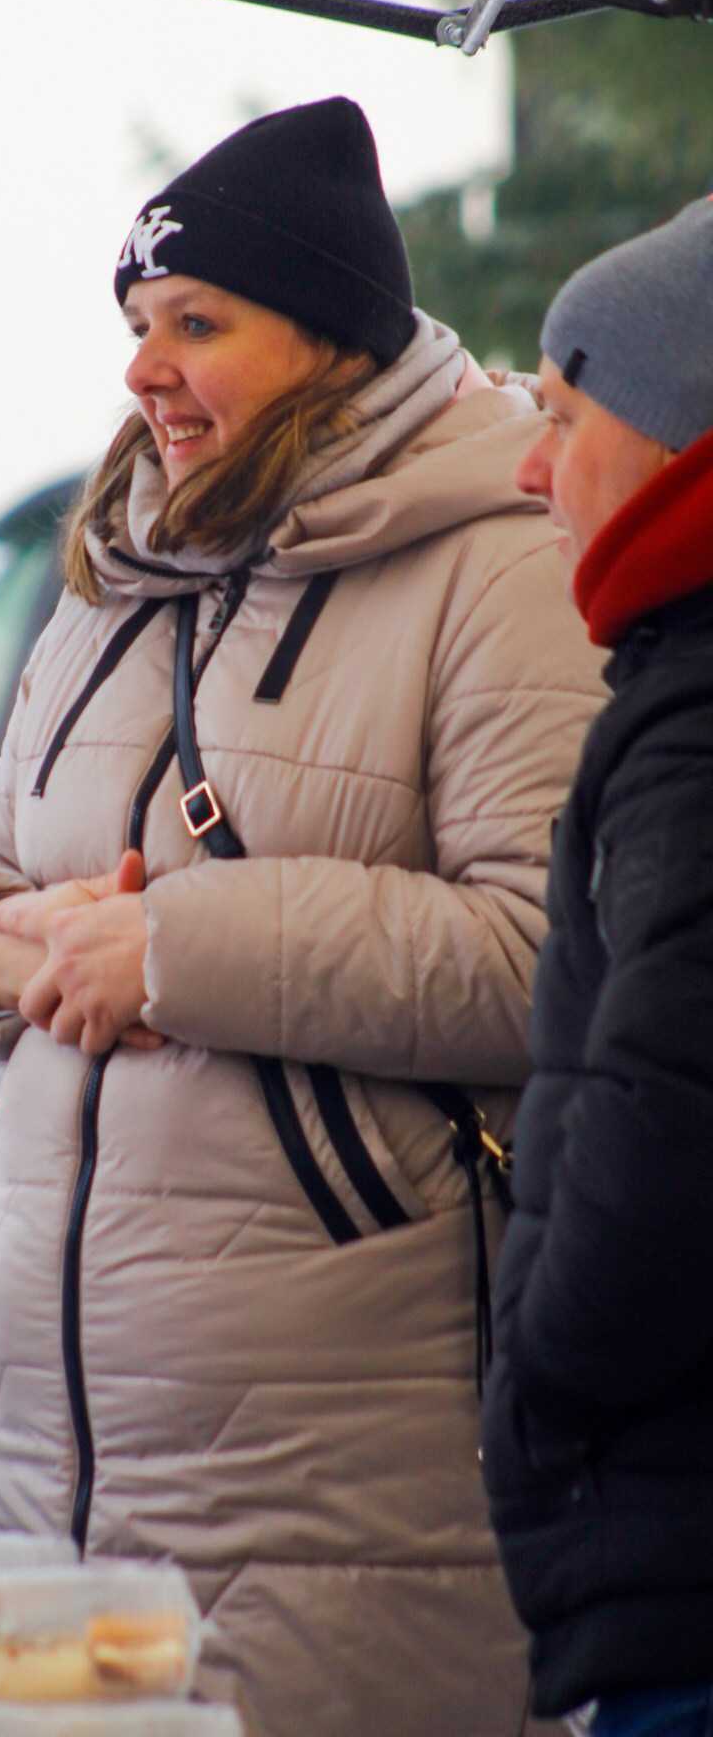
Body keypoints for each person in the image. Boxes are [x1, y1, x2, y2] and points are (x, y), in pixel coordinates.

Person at [0, 97, 605, 1737]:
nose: (145, 371)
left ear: (334, 336)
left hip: (334, 1498)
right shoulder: (115, 571)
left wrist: (177, 951)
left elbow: (548, 959)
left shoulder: (496, 567)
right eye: (137, 325)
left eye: (197, 324)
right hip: (36, 1477)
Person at [482, 198, 713, 1737]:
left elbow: (672, 1109)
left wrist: (547, 1382)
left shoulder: (695, 723)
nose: (531, 467)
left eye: (562, 415)